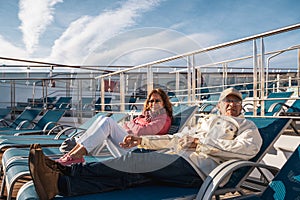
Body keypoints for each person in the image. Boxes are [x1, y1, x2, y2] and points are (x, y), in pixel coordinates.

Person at [29, 87, 263, 199]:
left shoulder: (247, 127)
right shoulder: (205, 122)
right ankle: (60, 185)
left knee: (134, 159)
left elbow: (247, 150)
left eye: (236, 102)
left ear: (241, 107)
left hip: (201, 170)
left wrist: (201, 145)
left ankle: (69, 168)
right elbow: (174, 139)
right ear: (219, 106)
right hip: (179, 160)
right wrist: (142, 140)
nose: (232, 105)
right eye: (227, 102)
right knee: (129, 177)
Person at [57, 88, 173, 165]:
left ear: (164, 103)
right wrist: (132, 126)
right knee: (101, 119)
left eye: (157, 101)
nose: (153, 103)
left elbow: (141, 132)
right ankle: (72, 154)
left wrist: (132, 126)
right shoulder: (145, 116)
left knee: (107, 122)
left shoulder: (163, 118)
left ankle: (75, 156)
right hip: (128, 144)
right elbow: (128, 126)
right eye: (151, 101)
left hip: (141, 153)